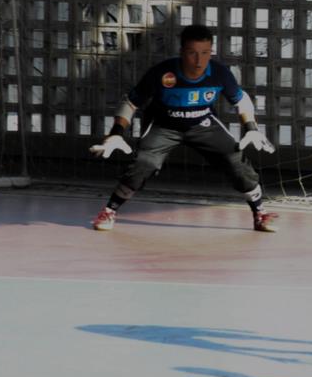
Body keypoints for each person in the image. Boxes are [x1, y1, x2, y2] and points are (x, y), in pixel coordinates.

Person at [89, 24, 278, 233]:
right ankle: (109, 210)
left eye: (205, 53)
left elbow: (241, 100)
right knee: (144, 164)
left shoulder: (220, 73)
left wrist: (251, 128)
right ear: (181, 52)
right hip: (165, 125)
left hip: (203, 124)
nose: (199, 61)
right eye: (192, 53)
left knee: (236, 160)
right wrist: (116, 134)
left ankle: (260, 213)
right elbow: (131, 103)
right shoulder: (162, 73)